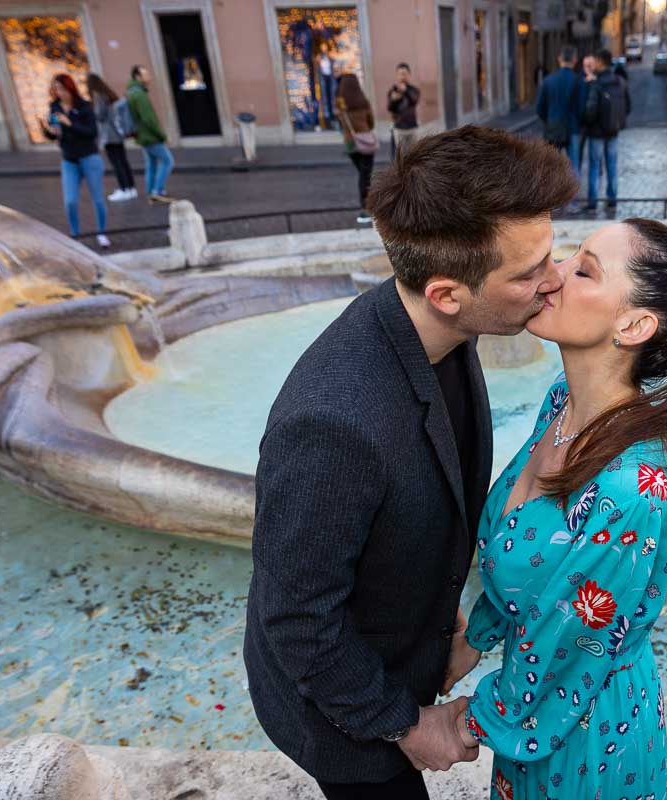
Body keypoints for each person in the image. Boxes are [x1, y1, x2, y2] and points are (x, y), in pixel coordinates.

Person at [244, 125, 578, 800]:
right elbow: (299, 620)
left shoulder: (445, 331)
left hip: (395, 650)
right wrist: (404, 725)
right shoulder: (334, 424)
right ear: (447, 293)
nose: (556, 280)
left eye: (552, 255)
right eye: (528, 272)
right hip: (344, 716)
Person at [455, 221, 667, 798]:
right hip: (543, 721)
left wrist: (459, 724)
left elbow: (563, 659)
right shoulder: (563, 401)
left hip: (585, 743)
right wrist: (474, 638)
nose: (551, 276)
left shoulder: (630, 491)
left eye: (584, 270)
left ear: (633, 325)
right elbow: (537, 568)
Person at [38, 74, 109, 249]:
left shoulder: (84, 107)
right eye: (56, 89)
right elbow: (54, 133)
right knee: (70, 201)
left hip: (89, 157)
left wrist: (69, 123)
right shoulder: (54, 107)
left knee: (98, 199)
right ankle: (75, 234)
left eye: (62, 88)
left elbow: (91, 132)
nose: (59, 92)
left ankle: (102, 233)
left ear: (70, 89)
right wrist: (48, 131)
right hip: (69, 160)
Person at [582, 49, 631, 211]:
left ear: (600, 62)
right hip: (614, 130)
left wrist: (587, 122)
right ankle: (612, 201)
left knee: (595, 167)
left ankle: (593, 202)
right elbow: (628, 106)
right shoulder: (620, 81)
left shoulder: (596, 84)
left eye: (594, 61)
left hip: (596, 132)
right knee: (612, 165)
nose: (593, 64)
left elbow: (590, 111)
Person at [126, 65, 175, 204]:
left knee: (152, 164)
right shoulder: (139, 95)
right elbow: (148, 119)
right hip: (150, 136)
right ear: (137, 77)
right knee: (167, 161)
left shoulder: (132, 92)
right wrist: (162, 136)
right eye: (145, 75)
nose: (149, 77)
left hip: (143, 136)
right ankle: (157, 191)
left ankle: (151, 191)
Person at [86, 73, 136, 203]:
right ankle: (131, 189)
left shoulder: (98, 96)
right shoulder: (109, 94)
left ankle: (124, 189)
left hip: (109, 135)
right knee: (123, 162)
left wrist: (92, 111)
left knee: (116, 163)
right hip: (117, 133)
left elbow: (100, 116)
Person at [335, 73, 377, 225]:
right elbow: (371, 123)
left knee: (362, 175)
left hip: (351, 144)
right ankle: (366, 209)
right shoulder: (363, 102)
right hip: (365, 142)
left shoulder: (340, 104)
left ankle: (367, 206)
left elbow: (340, 124)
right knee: (366, 176)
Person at [535, 46, 584, 175]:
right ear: (574, 60)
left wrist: (550, 120)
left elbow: (540, 108)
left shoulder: (548, 81)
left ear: (559, 59)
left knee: (552, 169)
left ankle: (556, 195)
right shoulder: (578, 81)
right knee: (573, 169)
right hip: (572, 128)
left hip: (553, 128)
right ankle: (573, 196)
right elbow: (581, 108)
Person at [387, 63, 421, 157]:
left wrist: (405, 90)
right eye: (400, 74)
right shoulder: (393, 90)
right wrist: (394, 100)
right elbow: (390, 108)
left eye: (404, 73)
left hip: (412, 127)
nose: (402, 76)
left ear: (409, 75)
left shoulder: (414, 90)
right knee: (401, 157)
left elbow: (414, 100)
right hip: (399, 128)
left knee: (414, 155)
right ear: (396, 75)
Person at [317, 43, 338, 131]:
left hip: (330, 79)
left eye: (325, 47)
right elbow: (318, 70)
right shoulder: (319, 58)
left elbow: (334, 68)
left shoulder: (331, 58)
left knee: (332, 98)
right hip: (323, 80)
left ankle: (333, 117)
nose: (324, 48)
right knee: (325, 99)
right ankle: (327, 118)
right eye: (322, 47)